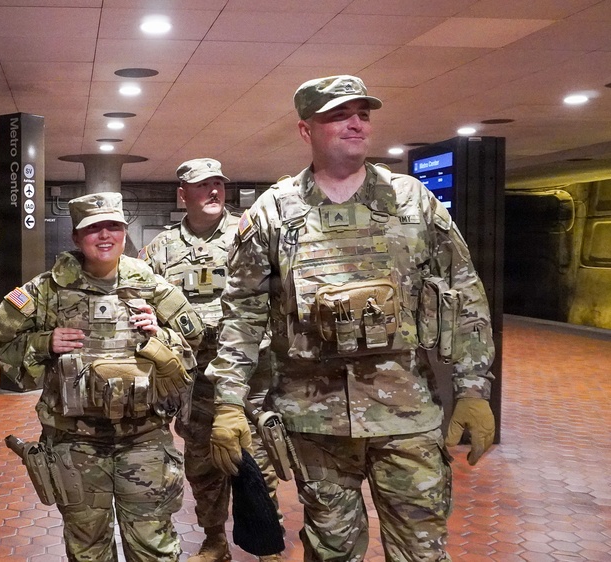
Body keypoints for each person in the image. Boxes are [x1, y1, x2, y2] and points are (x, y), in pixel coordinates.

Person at [204, 75, 497, 561]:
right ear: (306, 131)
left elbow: (463, 294)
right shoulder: (274, 212)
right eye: (339, 115)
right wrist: (230, 404)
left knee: (422, 550)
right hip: (314, 420)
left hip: (406, 413)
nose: (356, 123)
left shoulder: (412, 201)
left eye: (362, 113)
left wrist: (473, 390)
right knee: (331, 550)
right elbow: (242, 314)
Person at [0, 192, 204, 561]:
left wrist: (161, 334)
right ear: (76, 237)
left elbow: (195, 337)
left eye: (114, 226)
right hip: (75, 443)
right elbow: (0, 339)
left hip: (144, 440)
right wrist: (43, 342)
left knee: (154, 546)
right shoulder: (46, 290)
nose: (105, 235)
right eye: (93, 228)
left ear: (124, 231)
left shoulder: (150, 285)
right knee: (87, 547)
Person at [139, 158, 285, 562]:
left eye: (219, 184)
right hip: (195, 380)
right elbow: (141, 300)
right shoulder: (161, 249)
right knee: (203, 467)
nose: (214, 192)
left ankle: (267, 540)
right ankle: (214, 538)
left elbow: (275, 297)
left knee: (258, 461)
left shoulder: (247, 236)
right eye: (203, 186)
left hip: (251, 375)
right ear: (183, 194)